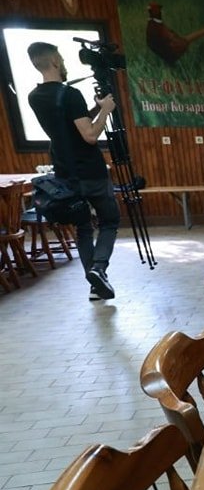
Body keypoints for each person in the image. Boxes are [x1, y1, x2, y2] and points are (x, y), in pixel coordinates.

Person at [27, 41, 119, 300]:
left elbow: (67, 124)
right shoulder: (70, 94)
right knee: (110, 221)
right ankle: (99, 268)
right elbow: (89, 135)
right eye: (62, 58)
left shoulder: (35, 97)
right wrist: (105, 110)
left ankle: (95, 286)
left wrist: (94, 108)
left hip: (65, 172)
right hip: (91, 170)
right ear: (55, 61)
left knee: (83, 228)